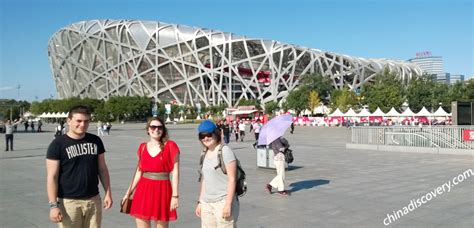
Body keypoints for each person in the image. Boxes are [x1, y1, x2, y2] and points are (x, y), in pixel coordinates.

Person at [46, 105, 113, 227]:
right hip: (69, 202)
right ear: (69, 121)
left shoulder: (95, 140)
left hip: (93, 199)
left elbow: (102, 169)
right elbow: (52, 177)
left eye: (86, 121)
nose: (82, 124)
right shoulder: (57, 144)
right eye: (79, 121)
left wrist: (108, 193)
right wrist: (53, 206)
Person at [122, 117, 180, 228]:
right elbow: (139, 172)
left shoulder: (171, 146)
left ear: (163, 130)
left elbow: (176, 172)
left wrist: (175, 196)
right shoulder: (142, 147)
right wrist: (128, 193)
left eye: (159, 127)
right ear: (148, 130)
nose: (156, 129)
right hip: (143, 190)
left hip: (162, 190)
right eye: (153, 127)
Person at [195, 120, 239, 227]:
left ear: (215, 134)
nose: (206, 138)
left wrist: (228, 204)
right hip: (207, 203)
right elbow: (205, 180)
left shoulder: (225, 151)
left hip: (222, 201)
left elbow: (232, 179)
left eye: (209, 135)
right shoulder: (204, 153)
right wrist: (200, 202)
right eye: (202, 136)